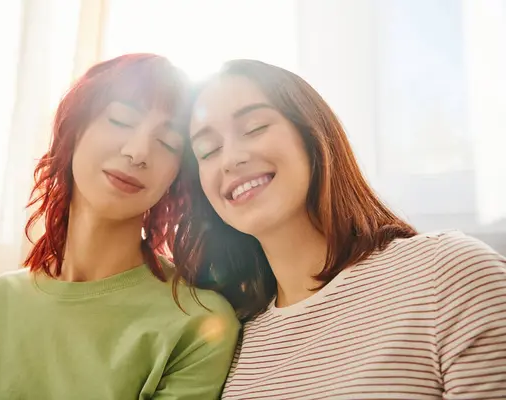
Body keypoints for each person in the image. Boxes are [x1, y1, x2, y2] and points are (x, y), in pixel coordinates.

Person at [174, 59, 506, 399]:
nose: (230, 159)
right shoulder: (231, 339)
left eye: (255, 127)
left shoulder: (448, 274)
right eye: (208, 150)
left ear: (313, 134)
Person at [0, 54, 239, 399]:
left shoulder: (198, 321)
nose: (138, 152)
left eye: (167, 143)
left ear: (175, 177)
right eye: (121, 120)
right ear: (74, 131)